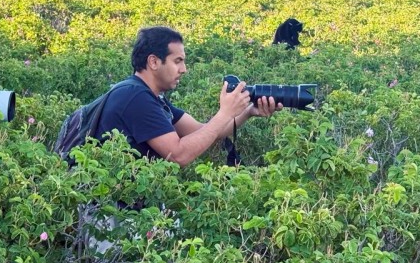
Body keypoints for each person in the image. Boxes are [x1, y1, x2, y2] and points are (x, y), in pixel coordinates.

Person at [96, 26, 282, 167]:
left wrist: (248, 111)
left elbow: (206, 131)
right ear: (153, 61)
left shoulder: (151, 96)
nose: (184, 69)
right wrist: (224, 113)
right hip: (110, 210)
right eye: (178, 61)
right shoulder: (136, 98)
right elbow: (178, 155)